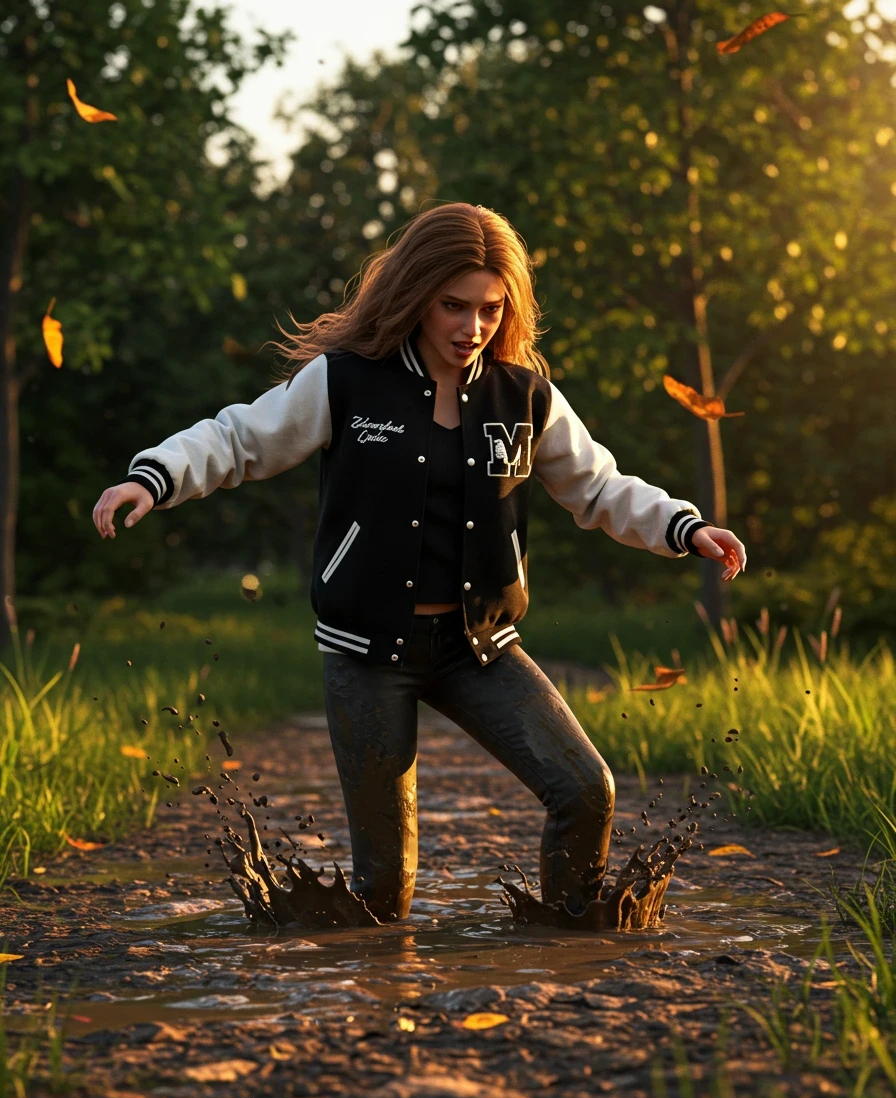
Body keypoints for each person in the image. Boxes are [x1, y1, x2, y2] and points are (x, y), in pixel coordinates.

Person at [92, 202, 746, 923]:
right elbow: (241, 438)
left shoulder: (523, 395)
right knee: (383, 898)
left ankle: (569, 943)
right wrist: (153, 476)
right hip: (367, 654)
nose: (472, 328)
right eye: (453, 306)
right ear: (416, 295)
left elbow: (596, 486)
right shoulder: (345, 381)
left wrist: (684, 527)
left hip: (479, 651)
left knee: (587, 788)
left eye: (491, 310)